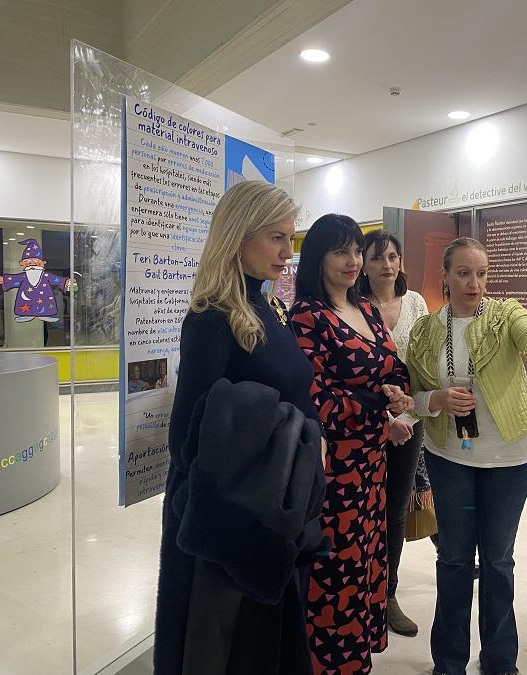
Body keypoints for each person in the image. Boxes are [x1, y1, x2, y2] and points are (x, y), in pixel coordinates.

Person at [154, 180, 326, 675]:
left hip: (270, 513)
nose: (286, 252)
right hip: (233, 524)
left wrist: (307, 433)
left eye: (290, 238)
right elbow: (187, 435)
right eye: (275, 237)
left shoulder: (265, 308)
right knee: (231, 650)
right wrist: (296, 433)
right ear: (238, 235)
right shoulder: (212, 317)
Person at [406, 237, 527, 675]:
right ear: (444, 276)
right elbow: (412, 395)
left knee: (498, 560)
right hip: (449, 456)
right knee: (454, 558)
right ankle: (448, 661)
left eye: (481, 273)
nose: (474, 282)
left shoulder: (505, 313)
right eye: (463, 272)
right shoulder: (426, 331)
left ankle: (501, 661)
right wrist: (437, 400)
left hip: (509, 457)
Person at [291, 214, 413, 675]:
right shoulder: (308, 314)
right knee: (335, 565)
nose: (353, 261)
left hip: (372, 462)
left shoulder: (365, 309)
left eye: (356, 251)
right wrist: (376, 409)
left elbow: (388, 367)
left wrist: (397, 390)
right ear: (318, 257)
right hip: (335, 464)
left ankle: (356, 656)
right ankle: (329, 663)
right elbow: (312, 394)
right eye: (341, 251)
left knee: (365, 557)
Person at [358, 229, 430, 637]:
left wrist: (413, 412)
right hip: (364, 424)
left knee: (396, 510)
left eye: (393, 257)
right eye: (377, 257)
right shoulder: (353, 306)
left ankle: (387, 595)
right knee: (362, 507)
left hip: (411, 423)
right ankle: (360, 589)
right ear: (363, 265)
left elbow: (422, 365)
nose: (387, 264)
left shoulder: (416, 302)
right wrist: (386, 419)